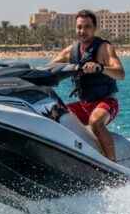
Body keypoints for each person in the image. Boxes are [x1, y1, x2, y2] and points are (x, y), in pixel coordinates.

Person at [49, 9, 125, 162]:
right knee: (53, 116)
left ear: (94, 28)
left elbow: (120, 73)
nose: (82, 31)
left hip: (106, 103)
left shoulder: (104, 48)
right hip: (83, 105)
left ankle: (113, 165)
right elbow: (49, 67)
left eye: (87, 27)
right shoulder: (71, 51)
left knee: (96, 122)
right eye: (79, 27)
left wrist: (100, 68)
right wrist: (28, 71)